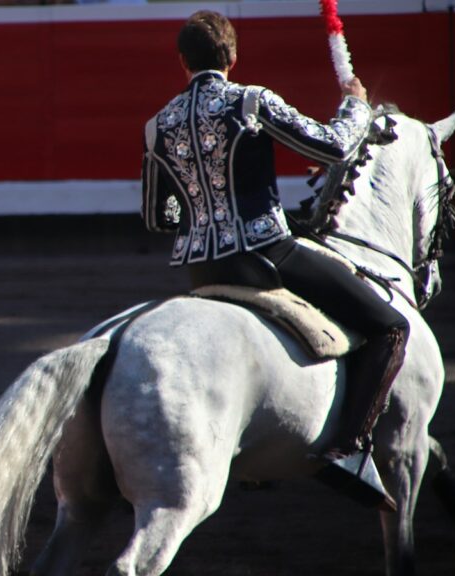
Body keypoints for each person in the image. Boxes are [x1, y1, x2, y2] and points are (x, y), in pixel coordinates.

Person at [140, 11, 410, 485]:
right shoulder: (249, 102)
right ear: (233, 56)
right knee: (391, 327)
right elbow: (333, 147)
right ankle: (348, 448)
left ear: (182, 61)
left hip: (200, 271)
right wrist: (356, 106)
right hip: (265, 257)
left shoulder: (157, 125)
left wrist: (203, 209)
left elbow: (158, 217)